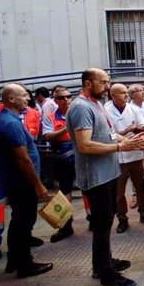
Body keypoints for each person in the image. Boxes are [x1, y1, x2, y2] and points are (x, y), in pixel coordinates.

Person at [67, 68, 144, 286]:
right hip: (97, 178)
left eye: (107, 82)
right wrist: (119, 147)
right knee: (102, 225)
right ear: (87, 84)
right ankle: (107, 276)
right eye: (102, 82)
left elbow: (110, 134)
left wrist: (131, 141)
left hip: (108, 172)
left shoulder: (96, 105)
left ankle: (101, 264)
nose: (107, 86)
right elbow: (84, 145)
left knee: (106, 223)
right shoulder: (81, 107)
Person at [0, 84, 52, 278]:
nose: (27, 98)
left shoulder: (8, 120)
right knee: (24, 221)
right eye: (23, 95)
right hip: (21, 182)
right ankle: (25, 264)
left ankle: (15, 260)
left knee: (20, 220)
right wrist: (38, 184)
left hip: (16, 181)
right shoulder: (10, 123)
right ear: (11, 99)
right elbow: (23, 159)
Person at [43, 86, 90, 242]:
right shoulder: (50, 117)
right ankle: (65, 226)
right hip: (63, 159)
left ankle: (92, 219)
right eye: (61, 97)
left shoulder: (79, 112)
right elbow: (47, 135)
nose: (65, 100)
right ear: (55, 100)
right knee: (64, 193)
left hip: (82, 156)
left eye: (68, 96)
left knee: (87, 188)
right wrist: (65, 129)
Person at [104, 83, 144, 234]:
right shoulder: (105, 110)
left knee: (140, 186)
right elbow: (106, 132)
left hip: (135, 154)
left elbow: (143, 126)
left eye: (126, 92)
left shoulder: (134, 109)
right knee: (119, 191)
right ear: (113, 95)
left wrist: (135, 129)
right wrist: (123, 133)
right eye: (122, 93)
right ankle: (122, 218)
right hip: (117, 156)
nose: (125, 95)